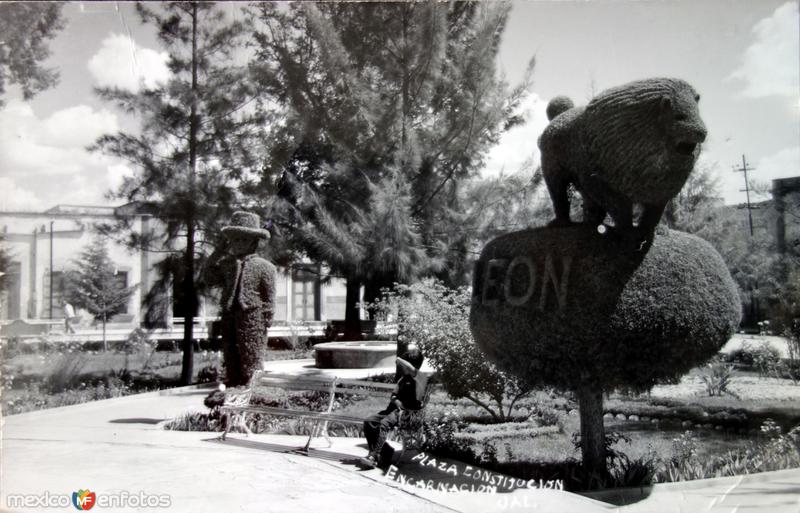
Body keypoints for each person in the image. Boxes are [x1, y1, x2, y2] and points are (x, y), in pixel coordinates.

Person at [202, 211, 276, 387]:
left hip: (252, 316)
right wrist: (218, 251)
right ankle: (233, 390)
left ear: (254, 241)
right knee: (230, 355)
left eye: (244, 239)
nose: (240, 244)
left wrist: (267, 316)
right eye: (235, 240)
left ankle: (252, 391)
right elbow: (209, 277)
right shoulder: (227, 265)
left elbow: (269, 296)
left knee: (251, 355)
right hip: (229, 315)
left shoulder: (264, 267)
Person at [358, 352, 425, 469]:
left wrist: (398, 358)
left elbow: (411, 368)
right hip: (392, 409)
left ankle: (373, 457)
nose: (403, 368)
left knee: (383, 424)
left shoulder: (420, 377)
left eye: (404, 365)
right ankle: (387, 451)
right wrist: (396, 400)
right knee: (369, 422)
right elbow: (393, 395)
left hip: (406, 413)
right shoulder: (403, 379)